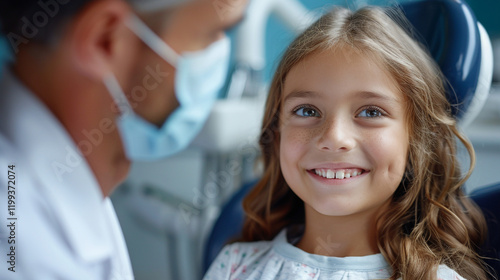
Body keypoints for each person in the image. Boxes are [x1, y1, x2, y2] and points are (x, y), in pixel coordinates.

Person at [203, 6, 490, 280]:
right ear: (276, 133)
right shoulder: (235, 266)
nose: (334, 138)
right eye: (307, 111)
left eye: (371, 112)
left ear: (414, 142)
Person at [0, 0, 247, 279]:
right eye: (212, 33)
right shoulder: (18, 249)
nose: (218, 55)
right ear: (105, 40)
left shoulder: (72, 181)